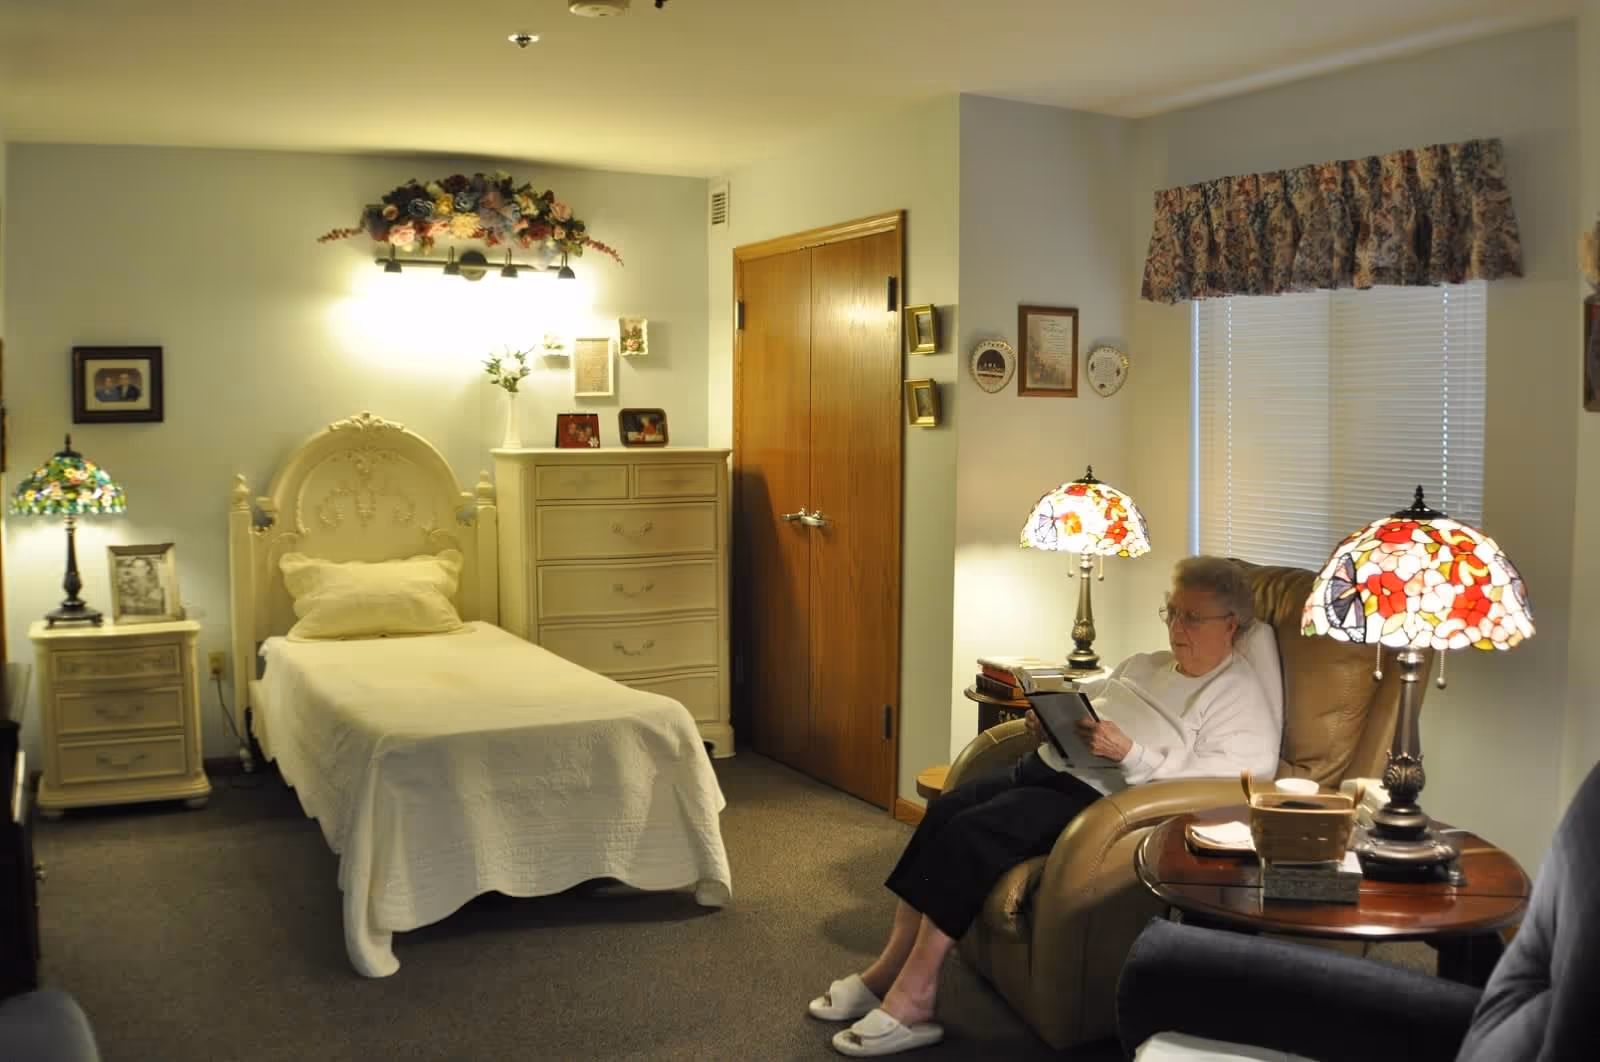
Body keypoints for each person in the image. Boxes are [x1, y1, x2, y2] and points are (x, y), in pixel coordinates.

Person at [811, 555, 1281, 1057]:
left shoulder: (1238, 695)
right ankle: (887, 970)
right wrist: (1053, 719)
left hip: (1102, 802)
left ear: (1231, 625)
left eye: (1192, 617)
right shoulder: (1146, 663)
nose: (1176, 628)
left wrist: (1132, 754)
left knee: (974, 833)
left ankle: (915, 998)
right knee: (947, 811)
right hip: (1056, 766)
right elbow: (1089, 694)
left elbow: (1235, 780)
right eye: (1171, 613)